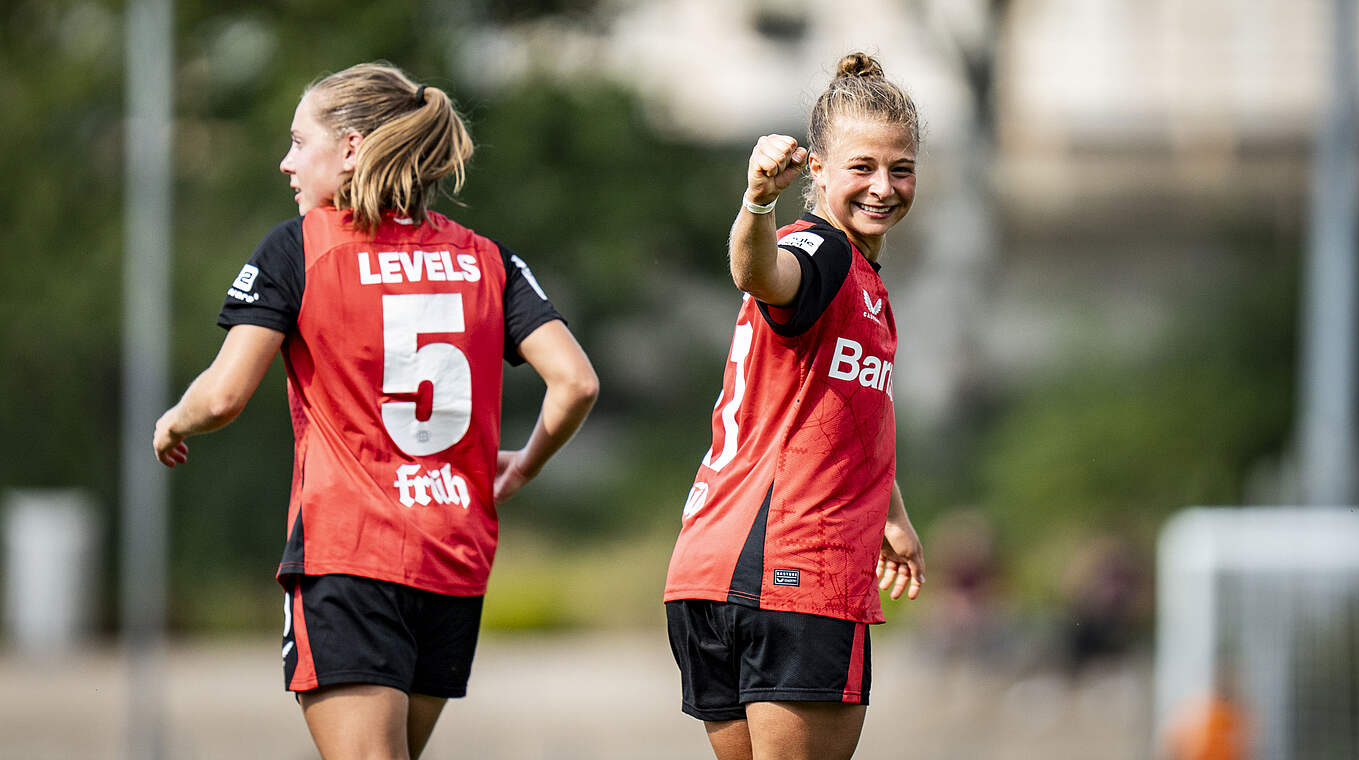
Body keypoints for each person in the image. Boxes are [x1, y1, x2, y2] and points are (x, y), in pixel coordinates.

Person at [152, 63, 598, 760]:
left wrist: (174, 419)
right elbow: (575, 383)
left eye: (301, 143)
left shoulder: (301, 247)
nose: (286, 162)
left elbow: (222, 396)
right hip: (454, 556)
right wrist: (526, 464)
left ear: (353, 149)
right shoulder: (486, 257)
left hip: (350, 558)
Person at [663, 52, 926, 760]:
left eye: (900, 169)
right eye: (862, 167)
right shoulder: (822, 252)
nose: (883, 186)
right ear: (816, 168)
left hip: (707, 572)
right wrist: (755, 201)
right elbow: (760, 274)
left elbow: (839, 418)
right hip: (795, 575)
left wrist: (893, 516)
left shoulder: (863, 281)